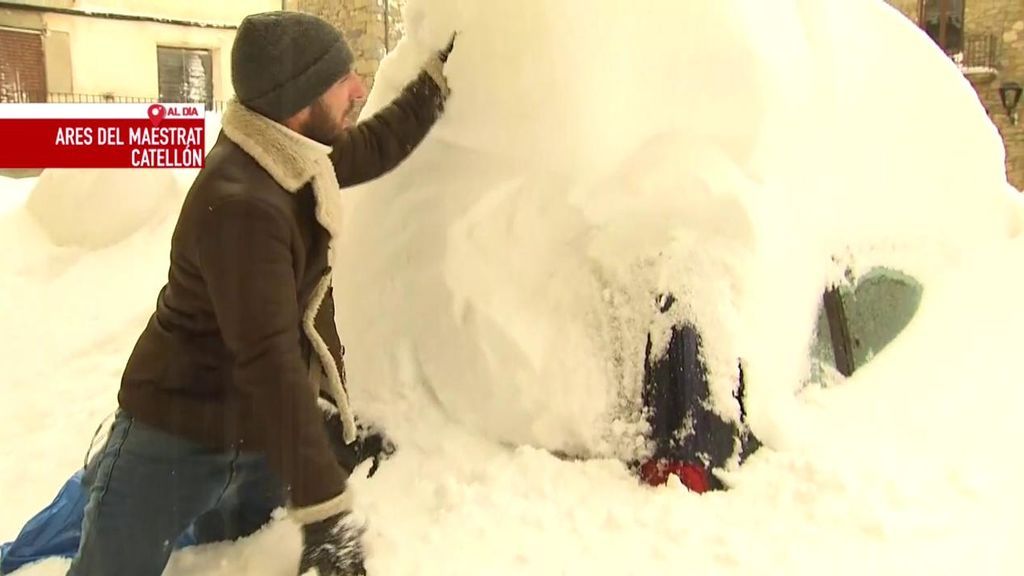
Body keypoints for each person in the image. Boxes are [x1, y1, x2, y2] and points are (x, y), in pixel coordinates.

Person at [65, 11, 454, 576]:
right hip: (175, 433)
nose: (359, 89)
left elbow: (372, 145)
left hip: (255, 435)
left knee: (239, 558)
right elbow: (270, 362)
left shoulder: (291, 152)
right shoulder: (242, 202)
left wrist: (436, 81)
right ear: (298, 102)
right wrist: (326, 513)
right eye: (340, 81)